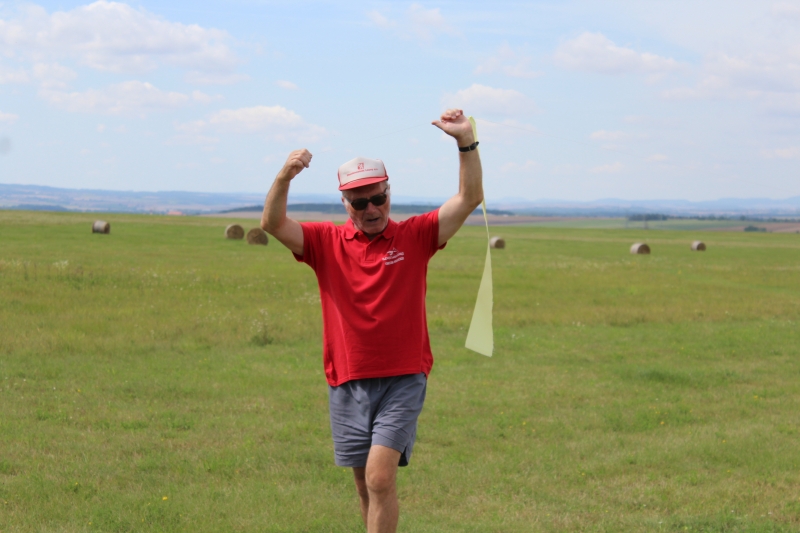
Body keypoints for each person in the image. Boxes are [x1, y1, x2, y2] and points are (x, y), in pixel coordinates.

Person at [260, 108, 483, 533]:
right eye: (360, 202)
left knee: (381, 477)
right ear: (345, 204)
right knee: (364, 486)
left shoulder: (416, 235)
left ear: (388, 193)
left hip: (403, 377)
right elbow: (271, 223)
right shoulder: (325, 241)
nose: (371, 208)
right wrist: (284, 177)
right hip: (347, 379)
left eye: (378, 198)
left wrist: (465, 141)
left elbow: (468, 199)